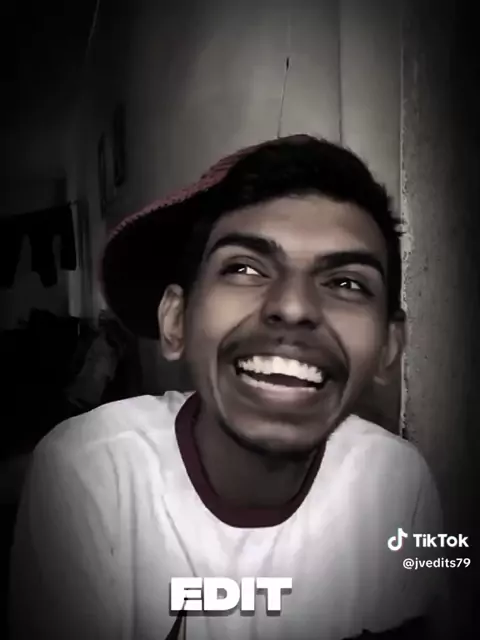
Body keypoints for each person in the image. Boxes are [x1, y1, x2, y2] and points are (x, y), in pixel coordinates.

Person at [9, 135, 447, 640]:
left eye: (347, 283)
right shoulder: (89, 469)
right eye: (243, 268)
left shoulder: (399, 486)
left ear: (389, 347)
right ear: (176, 321)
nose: (294, 307)